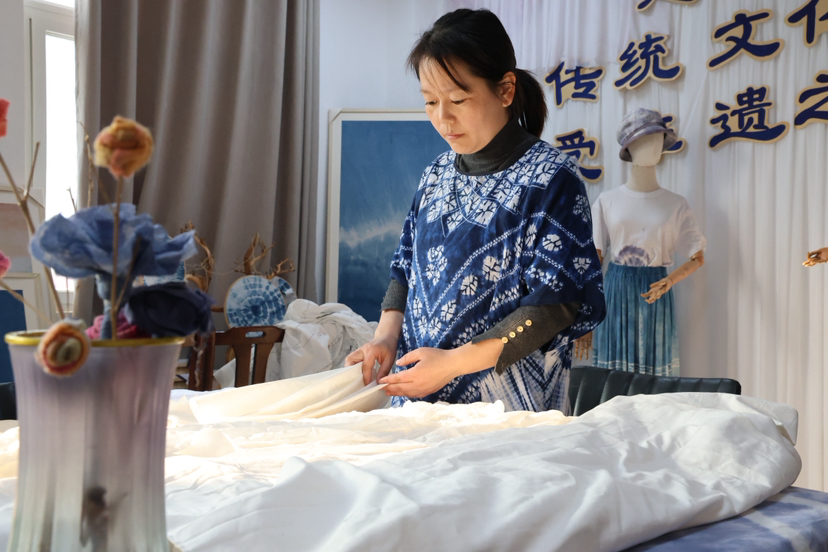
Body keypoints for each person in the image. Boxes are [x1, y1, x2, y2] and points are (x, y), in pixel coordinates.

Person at [344, 8, 605, 414]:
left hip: (509, 411)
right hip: (416, 401)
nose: (442, 118)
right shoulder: (435, 175)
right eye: (430, 101)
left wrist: (452, 364)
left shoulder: (552, 178)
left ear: (505, 90)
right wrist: (385, 338)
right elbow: (404, 270)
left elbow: (552, 307)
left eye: (458, 100)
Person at [583, 108, 706, 376]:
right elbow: (594, 262)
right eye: (644, 139)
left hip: (657, 289)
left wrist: (669, 281)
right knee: (614, 378)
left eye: (658, 138)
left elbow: (697, 257)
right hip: (616, 290)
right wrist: (585, 317)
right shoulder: (607, 201)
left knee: (655, 376)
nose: (653, 146)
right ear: (629, 146)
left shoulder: (676, 204)